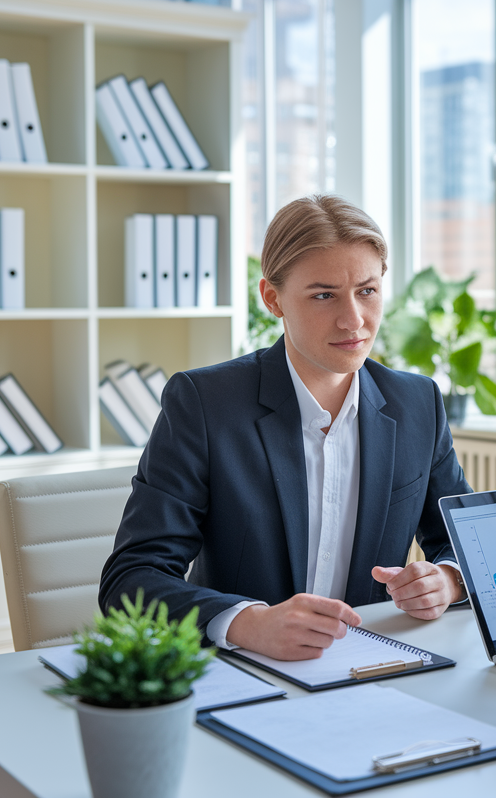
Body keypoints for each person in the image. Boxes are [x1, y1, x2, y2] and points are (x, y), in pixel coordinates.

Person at [99, 194, 470, 661]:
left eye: (367, 290)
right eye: (323, 295)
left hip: (372, 663)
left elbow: (464, 542)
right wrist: (247, 623)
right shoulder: (204, 403)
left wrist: (449, 580)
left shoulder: (418, 403)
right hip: (243, 669)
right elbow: (131, 579)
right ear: (273, 299)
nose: (353, 319)